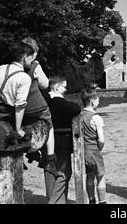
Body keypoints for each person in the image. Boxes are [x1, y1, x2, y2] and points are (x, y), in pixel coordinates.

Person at [21, 37, 57, 177]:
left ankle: (28, 152)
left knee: (24, 126)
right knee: (49, 126)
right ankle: (50, 159)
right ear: (33, 53)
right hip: (36, 106)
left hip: (20, 109)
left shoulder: (14, 66)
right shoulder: (35, 65)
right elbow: (44, 84)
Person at [45, 75, 81, 204]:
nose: (66, 89)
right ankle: (54, 201)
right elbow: (76, 108)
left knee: (50, 173)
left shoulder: (45, 101)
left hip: (46, 141)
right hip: (61, 141)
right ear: (57, 87)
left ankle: (57, 200)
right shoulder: (58, 102)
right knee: (64, 172)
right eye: (64, 86)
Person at [80, 88, 107, 204]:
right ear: (93, 101)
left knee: (89, 175)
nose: (98, 101)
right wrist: (100, 147)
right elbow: (101, 138)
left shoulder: (79, 115)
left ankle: (91, 199)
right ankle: (102, 201)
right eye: (97, 99)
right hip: (94, 150)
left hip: (84, 151)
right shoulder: (96, 117)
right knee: (100, 176)